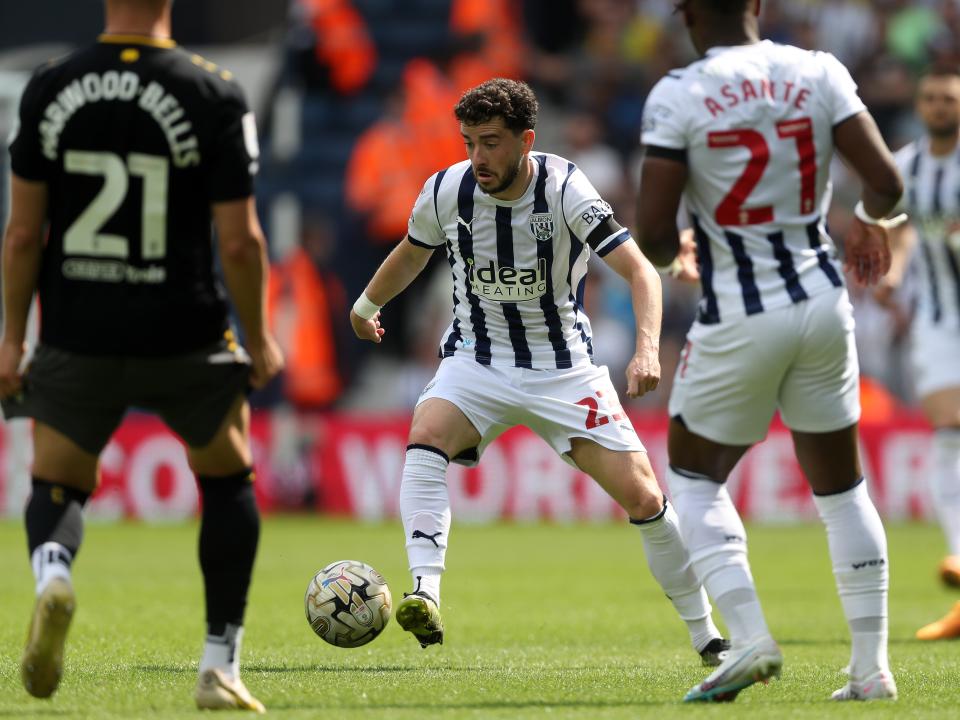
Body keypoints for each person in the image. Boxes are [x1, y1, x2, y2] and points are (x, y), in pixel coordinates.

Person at [350, 77, 730, 667]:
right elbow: (413, 248)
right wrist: (367, 304)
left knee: (645, 496)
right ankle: (424, 590)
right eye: (470, 142)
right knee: (425, 436)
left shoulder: (566, 188)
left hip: (564, 369)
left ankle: (707, 633)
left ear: (526, 140)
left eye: (492, 143)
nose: (478, 157)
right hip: (476, 359)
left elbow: (642, 272)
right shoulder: (446, 189)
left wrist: (647, 349)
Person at [0, 0, 282, 711]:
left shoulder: (50, 85)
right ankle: (219, 665)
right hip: (184, 331)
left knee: (57, 482)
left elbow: (22, 237)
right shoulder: (213, 89)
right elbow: (242, 241)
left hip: (77, 330)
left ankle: (55, 574)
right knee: (227, 477)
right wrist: (258, 336)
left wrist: (12, 338)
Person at [636, 0, 904, 703]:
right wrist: (873, 224)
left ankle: (750, 637)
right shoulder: (817, 70)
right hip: (821, 302)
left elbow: (655, 229)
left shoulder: (679, 92)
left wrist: (673, 258)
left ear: (685, 12)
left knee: (694, 478)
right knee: (842, 489)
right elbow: (887, 182)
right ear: (758, 4)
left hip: (740, 312)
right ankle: (871, 669)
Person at [883, 66, 960, 641]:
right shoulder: (906, 165)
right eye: (930, 97)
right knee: (950, 428)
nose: (937, 106)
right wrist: (896, 271)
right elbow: (901, 230)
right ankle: (959, 558)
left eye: (948, 98)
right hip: (937, 319)